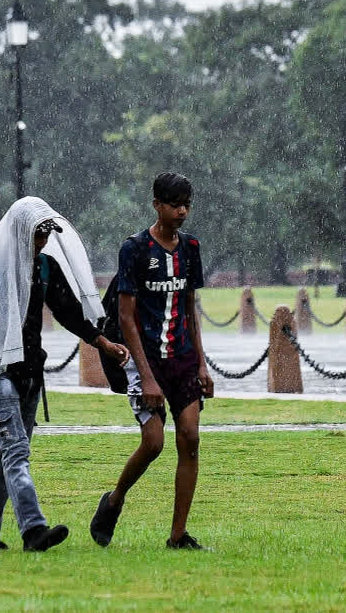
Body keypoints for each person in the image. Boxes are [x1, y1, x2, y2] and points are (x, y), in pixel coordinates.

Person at [0, 197, 129, 553]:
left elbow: (69, 312)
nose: (42, 242)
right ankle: (34, 529)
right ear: (18, 232)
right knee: (16, 452)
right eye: (36, 235)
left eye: (46, 235)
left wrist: (102, 343)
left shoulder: (44, 268)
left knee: (8, 454)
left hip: (31, 373)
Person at [90, 172, 215, 550]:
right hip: (146, 360)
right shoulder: (135, 249)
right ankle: (114, 500)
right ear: (156, 205)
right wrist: (146, 377)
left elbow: (191, 308)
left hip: (183, 358)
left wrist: (202, 364)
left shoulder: (190, 248)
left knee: (190, 437)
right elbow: (126, 317)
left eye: (186, 204)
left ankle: (178, 536)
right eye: (174, 204)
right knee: (154, 442)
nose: (182, 211)